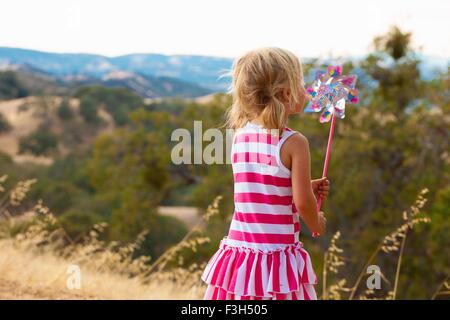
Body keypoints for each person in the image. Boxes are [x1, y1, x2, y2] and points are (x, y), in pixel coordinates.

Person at [202, 47, 330, 300]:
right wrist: (318, 223)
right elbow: (303, 204)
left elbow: (262, 187)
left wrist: (303, 184)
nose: (306, 91)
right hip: (275, 257)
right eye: (301, 84)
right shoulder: (294, 142)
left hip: (240, 254)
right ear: (285, 93)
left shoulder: (240, 136)